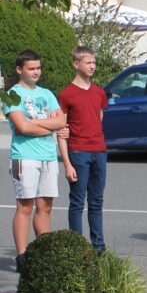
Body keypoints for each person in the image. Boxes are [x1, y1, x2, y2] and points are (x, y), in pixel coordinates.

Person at [4, 50, 66, 272]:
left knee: (45, 207)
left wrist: (37, 124)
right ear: (19, 69)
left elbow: (61, 120)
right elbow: (23, 127)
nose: (36, 72)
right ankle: (22, 255)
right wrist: (46, 124)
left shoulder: (47, 93)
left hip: (48, 156)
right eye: (31, 68)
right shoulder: (11, 95)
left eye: (38, 68)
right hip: (25, 157)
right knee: (25, 206)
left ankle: (43, 253)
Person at [57, 46, 108, 254]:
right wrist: (67, 163)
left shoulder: (99, 92)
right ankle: (77, 247)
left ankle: (98, 247)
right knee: (77, 202)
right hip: (78, 152)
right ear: (76, 64)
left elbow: (99, 117)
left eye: (94, 63)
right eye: (88, 63)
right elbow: (61, 130)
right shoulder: (67, 94)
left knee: (96, 201)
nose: (92, 66)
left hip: (99, 150)